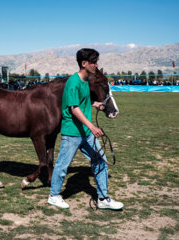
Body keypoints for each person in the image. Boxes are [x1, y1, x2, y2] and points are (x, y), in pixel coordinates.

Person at [48, 48, 123, 210]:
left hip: (86, 133)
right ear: (84, 64)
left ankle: (103, 198)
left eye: (97, 62)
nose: (96, 65)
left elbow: (82, 103)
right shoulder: (73, 82)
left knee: (100, 161)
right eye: (93, 62)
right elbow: (74, 108)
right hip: (73, 133)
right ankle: (54, 196)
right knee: (62, 165)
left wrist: (97, 104)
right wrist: (92, 126)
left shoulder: (86, 81)